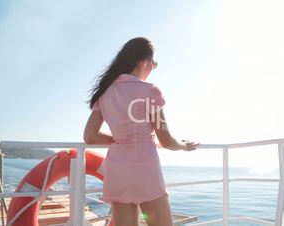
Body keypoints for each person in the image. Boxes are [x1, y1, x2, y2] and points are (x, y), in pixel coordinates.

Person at [83, 37, 200, 226]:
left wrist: (122, 139)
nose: (154, 67)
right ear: (143, 61)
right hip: (145, 170)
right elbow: (167, 140)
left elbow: (89, 136)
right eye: (154, 62)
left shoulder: (105, 93)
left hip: (118, 171)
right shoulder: (149, 91)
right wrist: (185, 146)